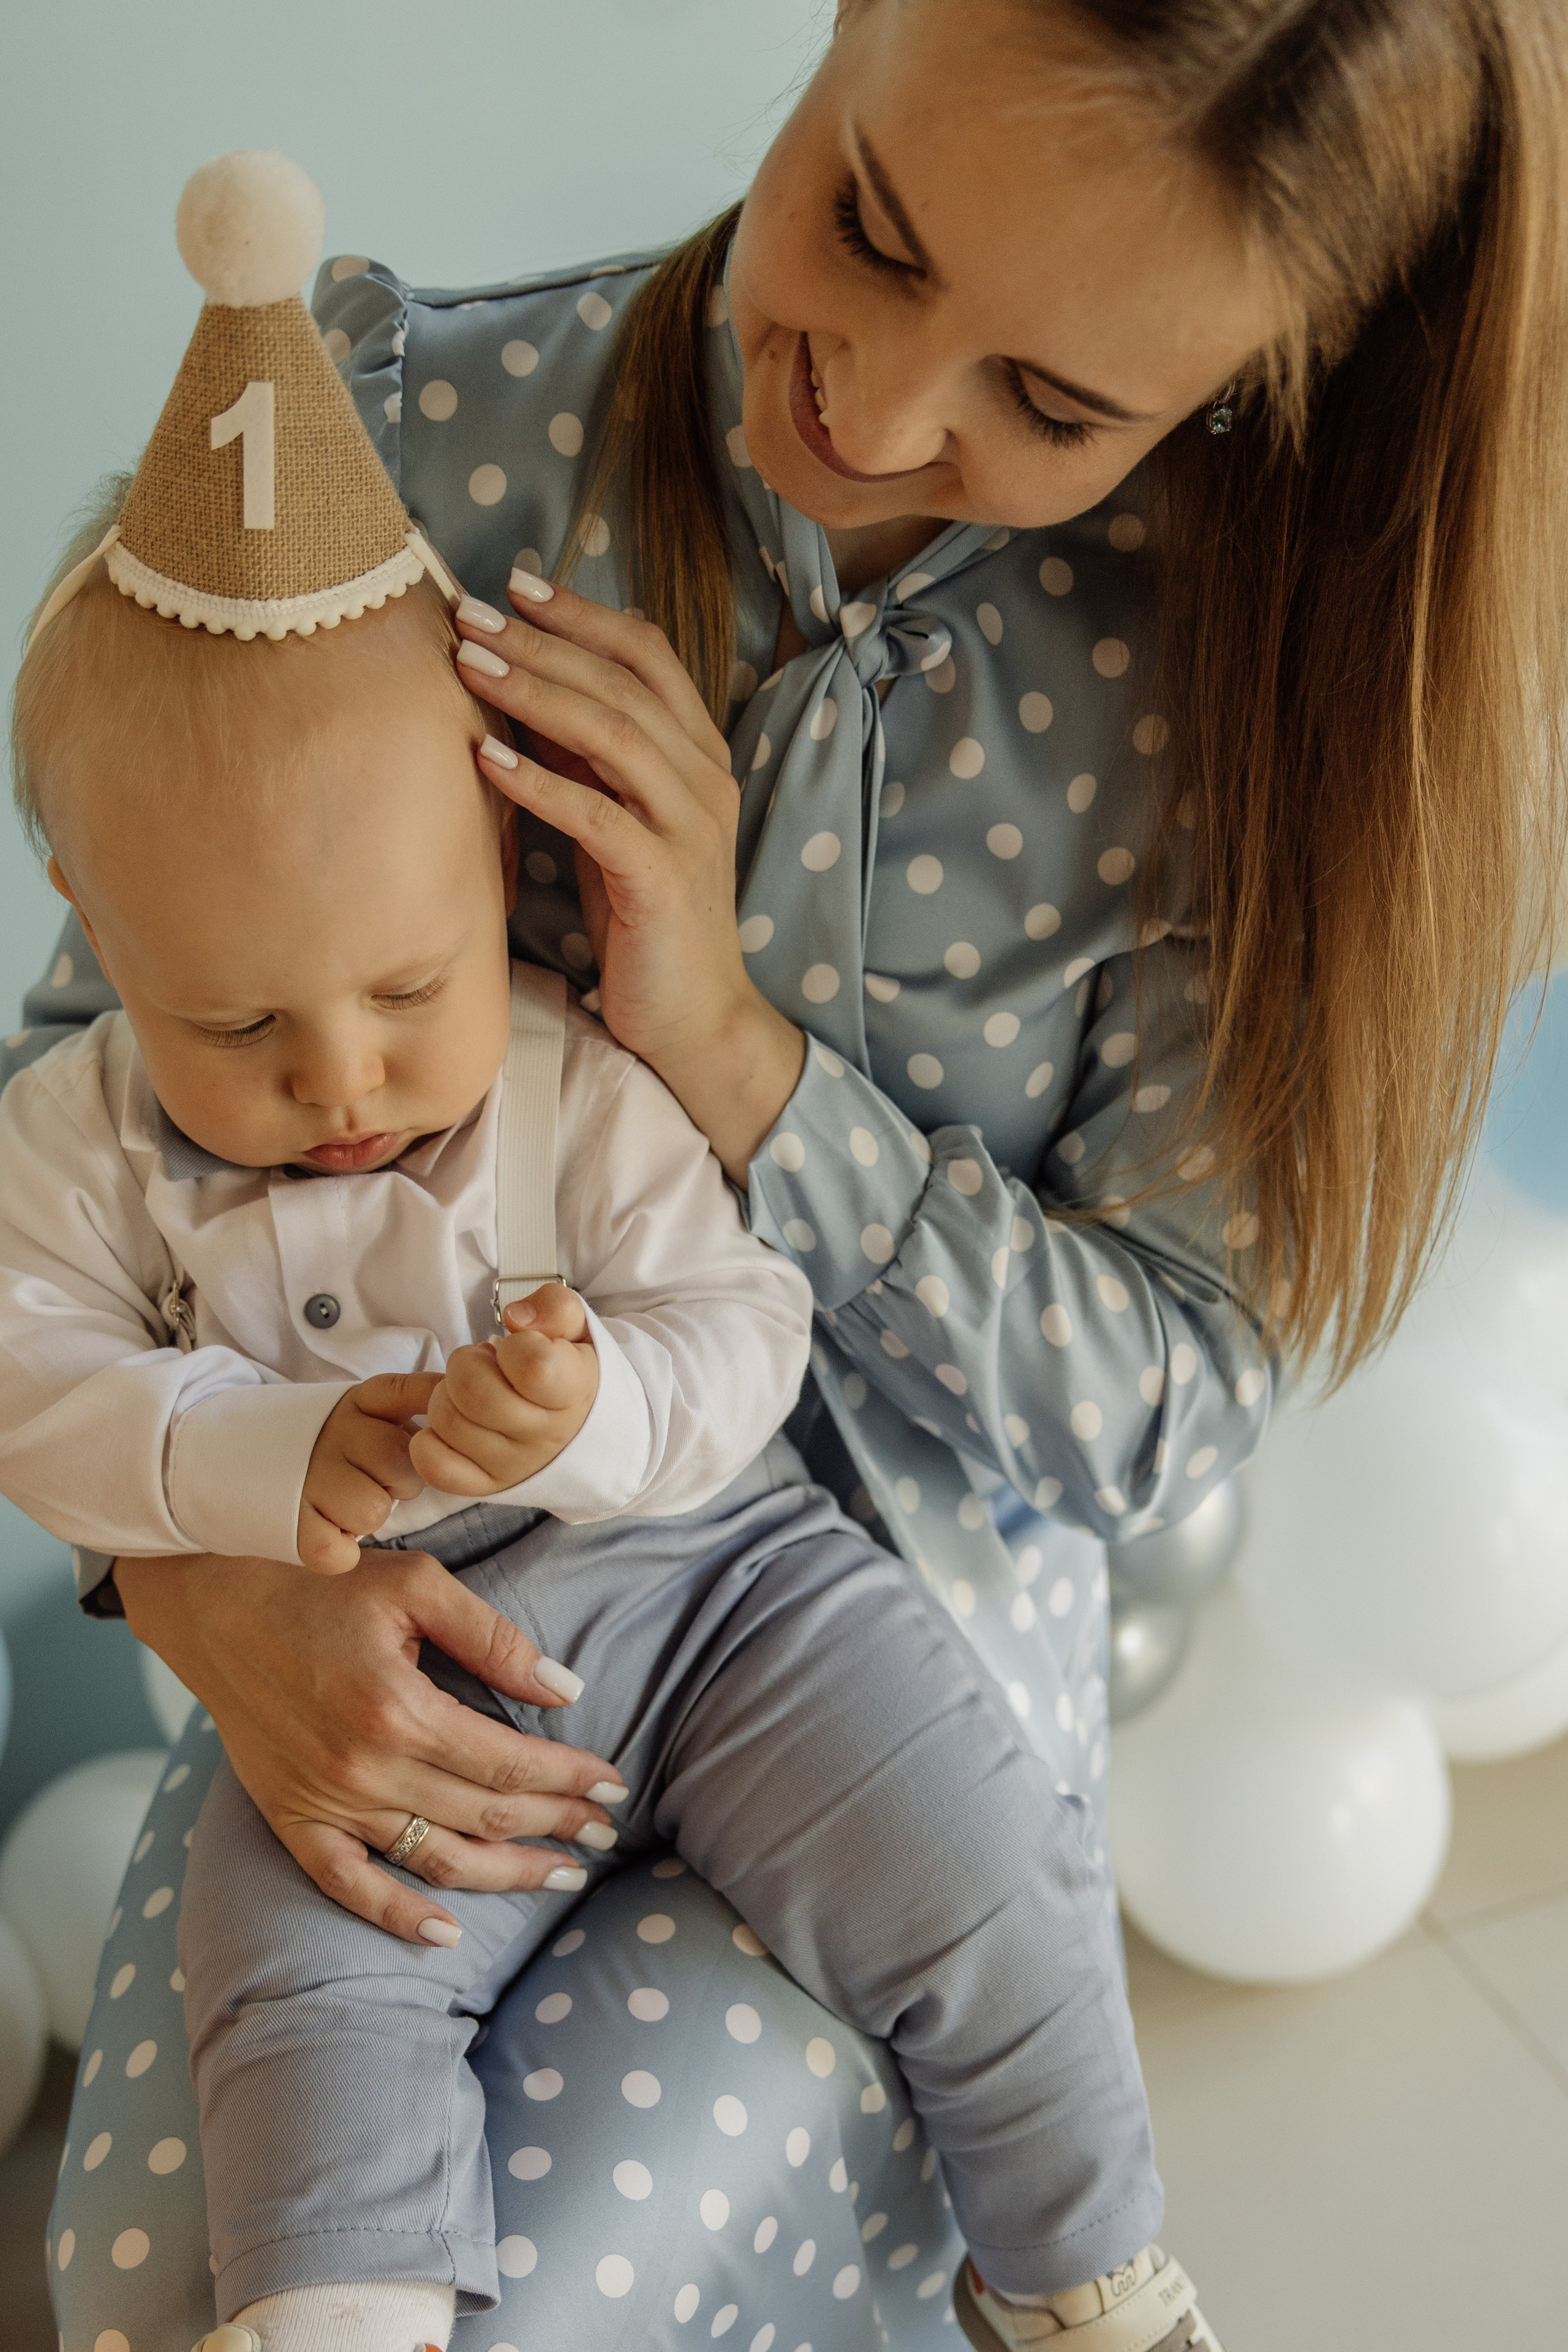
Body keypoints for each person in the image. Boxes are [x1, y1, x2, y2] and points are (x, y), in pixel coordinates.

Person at [23, 2, 1566, 2346]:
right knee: (162, 2284)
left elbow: (1148, 1413)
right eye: (869, 216)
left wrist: (741, 1061)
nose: (883, 403)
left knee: (559, 2295)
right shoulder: (426, 440)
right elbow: (81, 1091)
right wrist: (204, 1582)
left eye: (1058, 401)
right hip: (401, 1607)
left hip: (876, 1637)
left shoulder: (1238, 710)